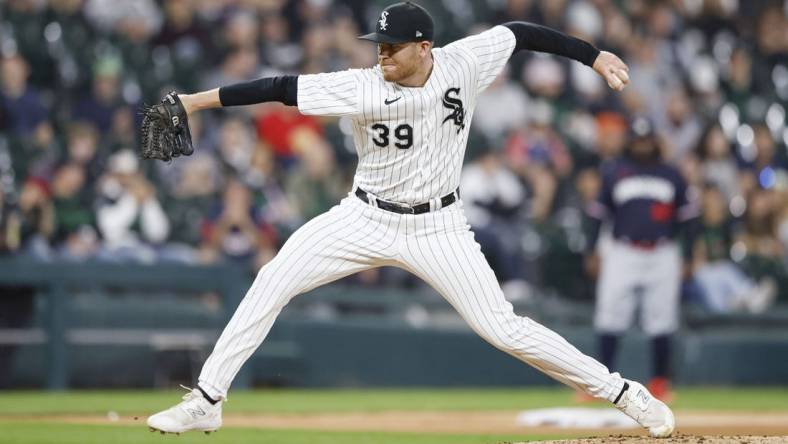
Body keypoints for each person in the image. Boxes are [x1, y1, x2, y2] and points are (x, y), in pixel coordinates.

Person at [146, 2, 674, 438]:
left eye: (392, 47)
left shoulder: (462, 62)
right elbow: (280, 87)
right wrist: (193, 102)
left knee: (504, 328)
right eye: (378, 46)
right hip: (363, 215)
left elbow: (521, 33)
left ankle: (624, 393)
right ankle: (208, 399)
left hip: (439, 227)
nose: (382, 55)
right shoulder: (362, 84)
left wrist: (593, 54)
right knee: (272, 279)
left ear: (424, 47)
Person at [584, 117, 699, 403]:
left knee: (661, 319)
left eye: (647, 141)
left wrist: (689, 254)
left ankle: (660, 382)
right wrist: (591, 250)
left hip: (663, 252)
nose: (643, 146)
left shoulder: (672, 174)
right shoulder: (615, 172)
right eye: (638, 141)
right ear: (631, 143)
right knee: (610, 315)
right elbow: (597, 215)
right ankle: (600, 382)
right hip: (623, 251)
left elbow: (689, 219)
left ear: (655, 142)